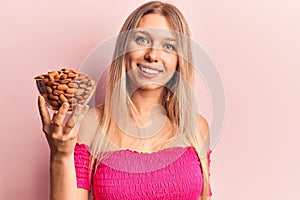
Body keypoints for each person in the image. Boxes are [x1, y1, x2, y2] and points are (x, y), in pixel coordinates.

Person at [37, 1, 212, 199]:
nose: (153, 55)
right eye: (142, 40)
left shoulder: (197, 128)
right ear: (123, 49)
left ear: (180, 61)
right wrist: (61, 154)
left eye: (169, 46)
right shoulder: (88, 125)